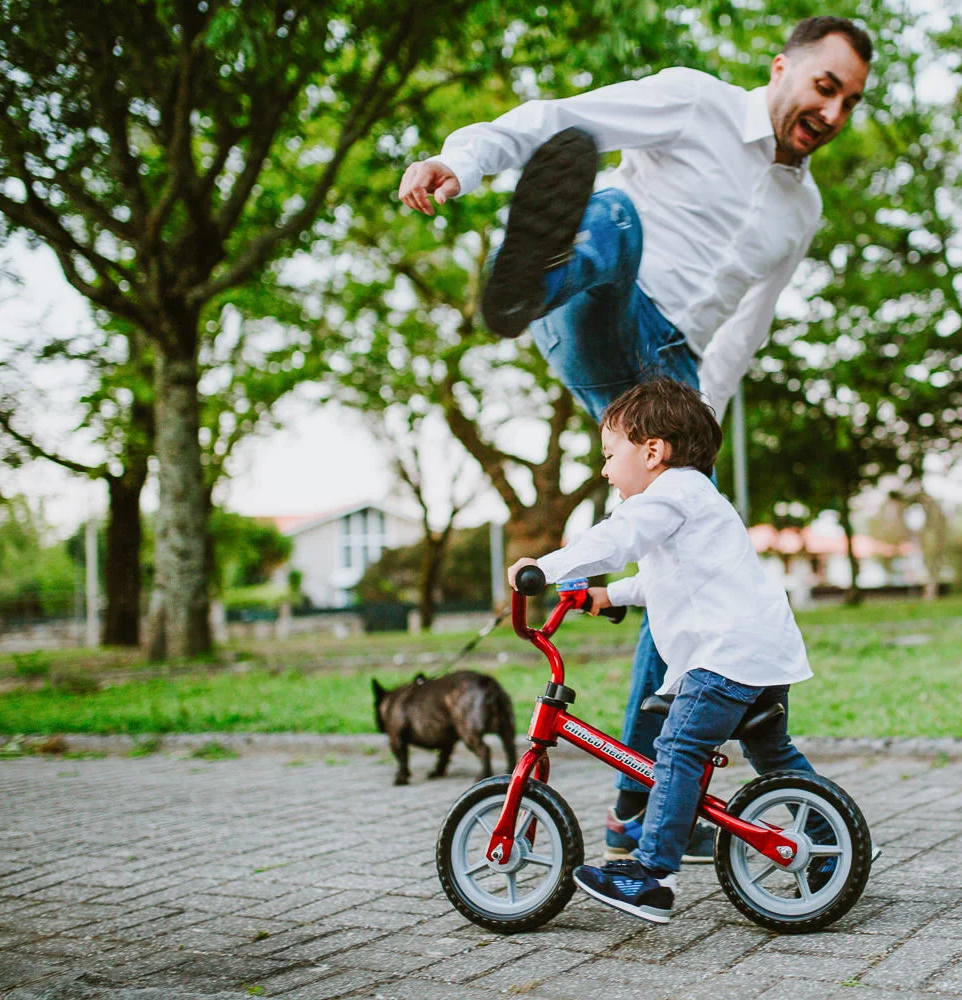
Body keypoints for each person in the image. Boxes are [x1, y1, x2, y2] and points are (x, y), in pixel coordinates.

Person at [400, 16, 872, 864]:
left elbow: (747, 328)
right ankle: (541, 270)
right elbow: (559, 119)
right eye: (825, 87)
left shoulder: (803, 209)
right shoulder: (693, 103)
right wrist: (460, 161)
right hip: (601, 311)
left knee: (686, 567)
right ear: (783, 69)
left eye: (851, 102)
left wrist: (702, 425)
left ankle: (642, 800)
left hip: (672, 376)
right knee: (614, 213)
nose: (833, 113)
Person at [506, 379, 821, 923]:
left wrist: (545, 568)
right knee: (773, 755)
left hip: (726, 658)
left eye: (610, 455)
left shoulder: (669, 493)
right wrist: (609, 594)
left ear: (653, 451)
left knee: (676, 747)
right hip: (761, 653)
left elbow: (615, 540)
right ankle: (828, 845)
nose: (605, 470)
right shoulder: (695, 499)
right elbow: (664, 577)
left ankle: (651, 875)